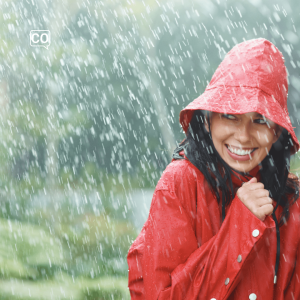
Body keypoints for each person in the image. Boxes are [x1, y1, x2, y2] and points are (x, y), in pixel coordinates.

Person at [127, 38, 300, 300]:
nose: (243, 136)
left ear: (276, 132)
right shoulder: (180, 184)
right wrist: (242, 222)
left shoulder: (290, 201)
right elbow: (160, 296)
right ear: (207, 120)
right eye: (230, 116)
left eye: (260, 121)